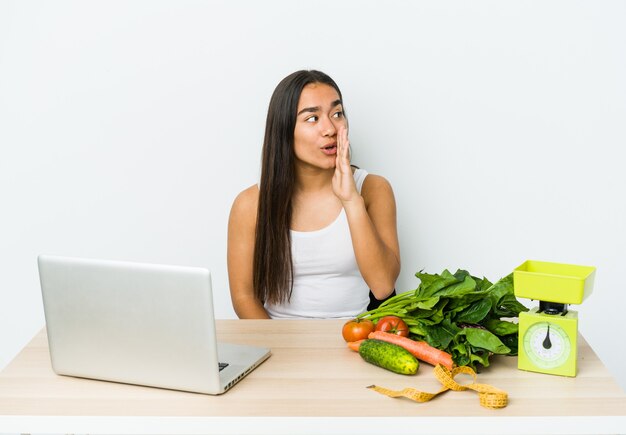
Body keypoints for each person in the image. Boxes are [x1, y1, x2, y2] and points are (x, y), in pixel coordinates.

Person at [227, 70, 400, 319]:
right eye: (312, 118)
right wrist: (280, 349)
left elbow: (383, 286)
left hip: (357, 339)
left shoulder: (374, 189)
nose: (330, 128)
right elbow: (244, 297)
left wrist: (351, 201)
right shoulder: (249, 204)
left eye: (337, 114)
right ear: (284, 132)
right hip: (279, 344)